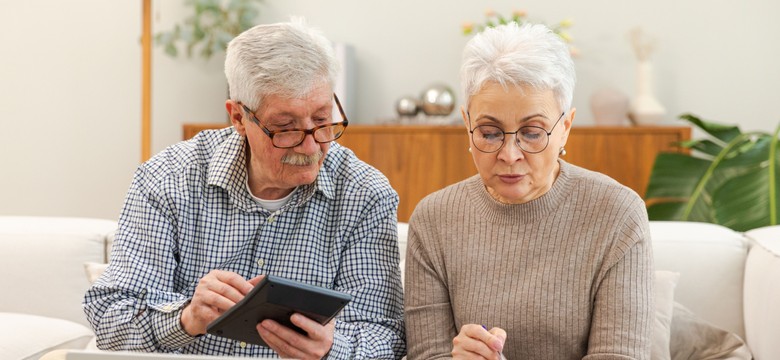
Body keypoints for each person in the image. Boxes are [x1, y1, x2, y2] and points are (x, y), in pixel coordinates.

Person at [84, 19, 406, 359]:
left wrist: (330, 348)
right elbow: (110, 319)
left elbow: (386, 335)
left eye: (323, 121)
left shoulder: (364, 193)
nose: (311, 147)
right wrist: (186, 318)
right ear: (238, 117)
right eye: (285, 128)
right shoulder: (168, 179)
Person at [404, 23, 653, 359]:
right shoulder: (434, 220)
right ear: (467, 124)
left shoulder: (617, 213)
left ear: (565, 127)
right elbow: (427, 354)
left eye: (533, 132)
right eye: (490, 133)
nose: (510, 154)